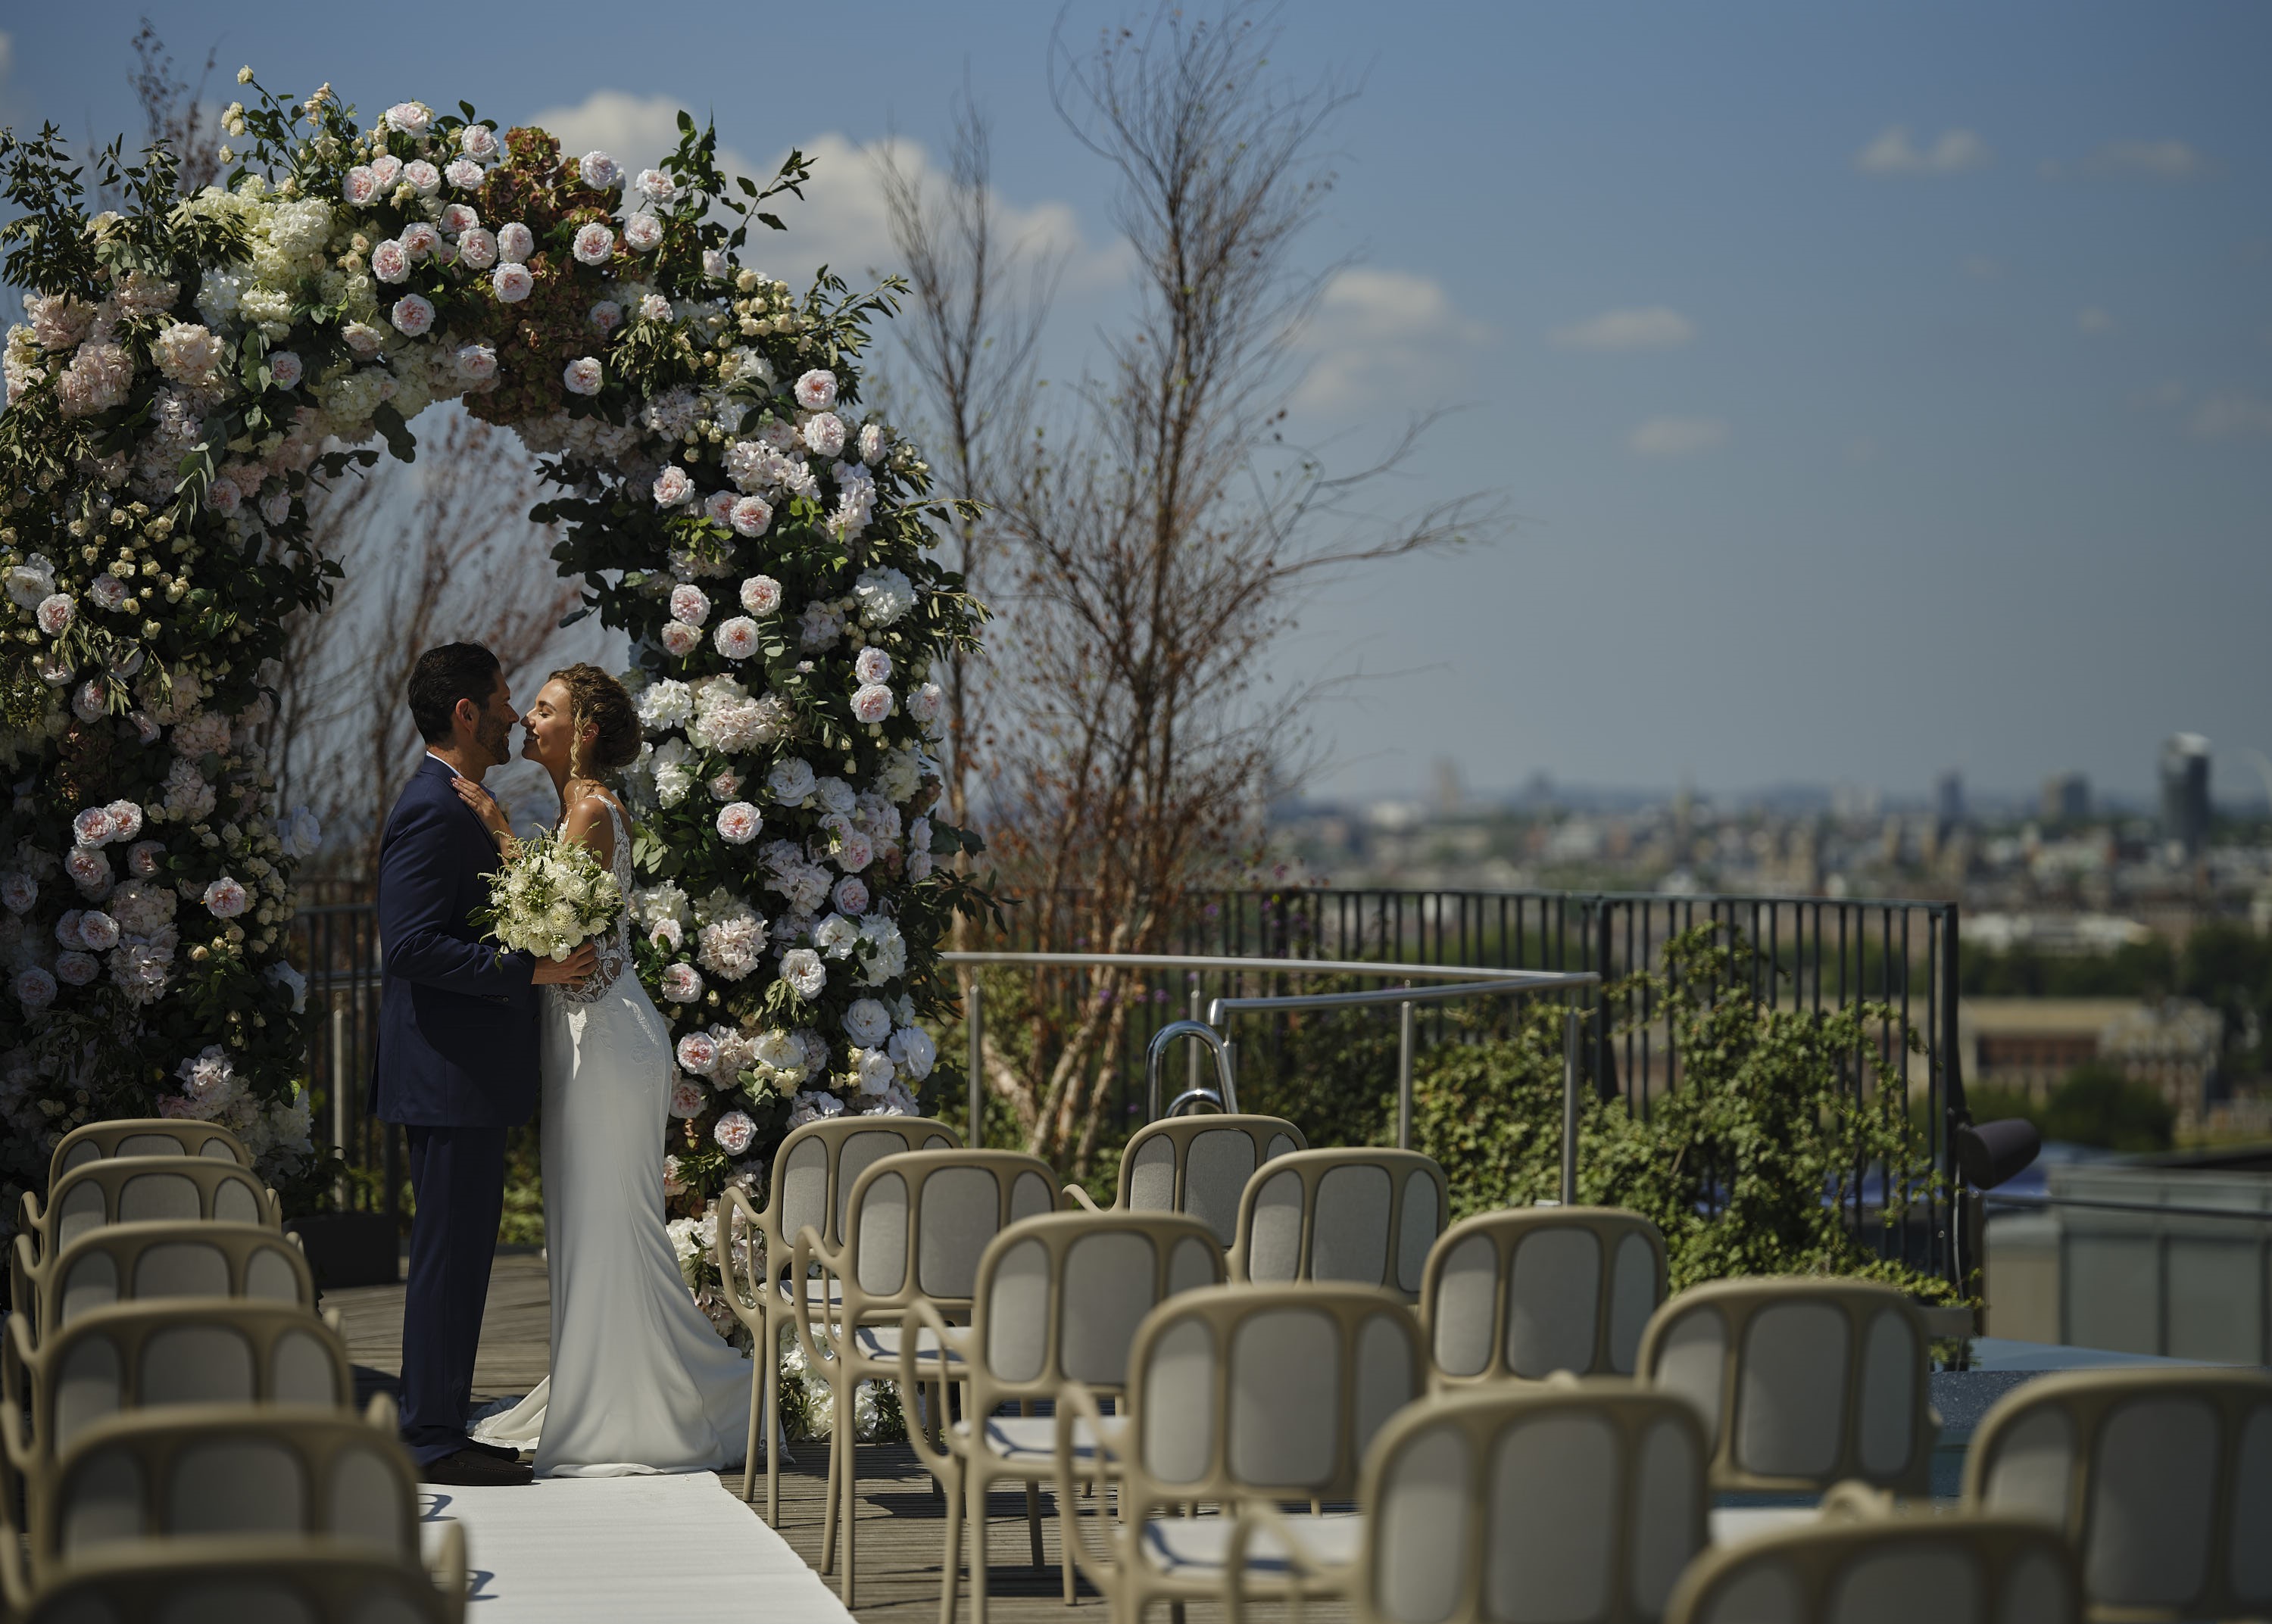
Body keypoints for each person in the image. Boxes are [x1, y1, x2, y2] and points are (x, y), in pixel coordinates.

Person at [460, 663, 753, 1476]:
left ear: (582, 729)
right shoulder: (572, 810)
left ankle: (680, 1401)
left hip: (608, 1041)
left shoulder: (590, 812)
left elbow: (548, 930)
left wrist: (495, 828)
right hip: (577, 1036)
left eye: (545, 710)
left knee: (613, 1222)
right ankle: (599, 1386)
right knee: (585, 1223)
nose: (528, 721)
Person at [374, 644, 598, 1488]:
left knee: (461, 1258)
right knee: (446, 1258)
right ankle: (430, 1437)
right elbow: (411, 948)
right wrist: (528, 970)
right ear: (466, 713)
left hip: (459, 1074)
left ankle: (439, 1420)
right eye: (504, 700)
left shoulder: (465, 803)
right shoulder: (435, 808)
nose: (512, 714)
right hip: (446, 1074)